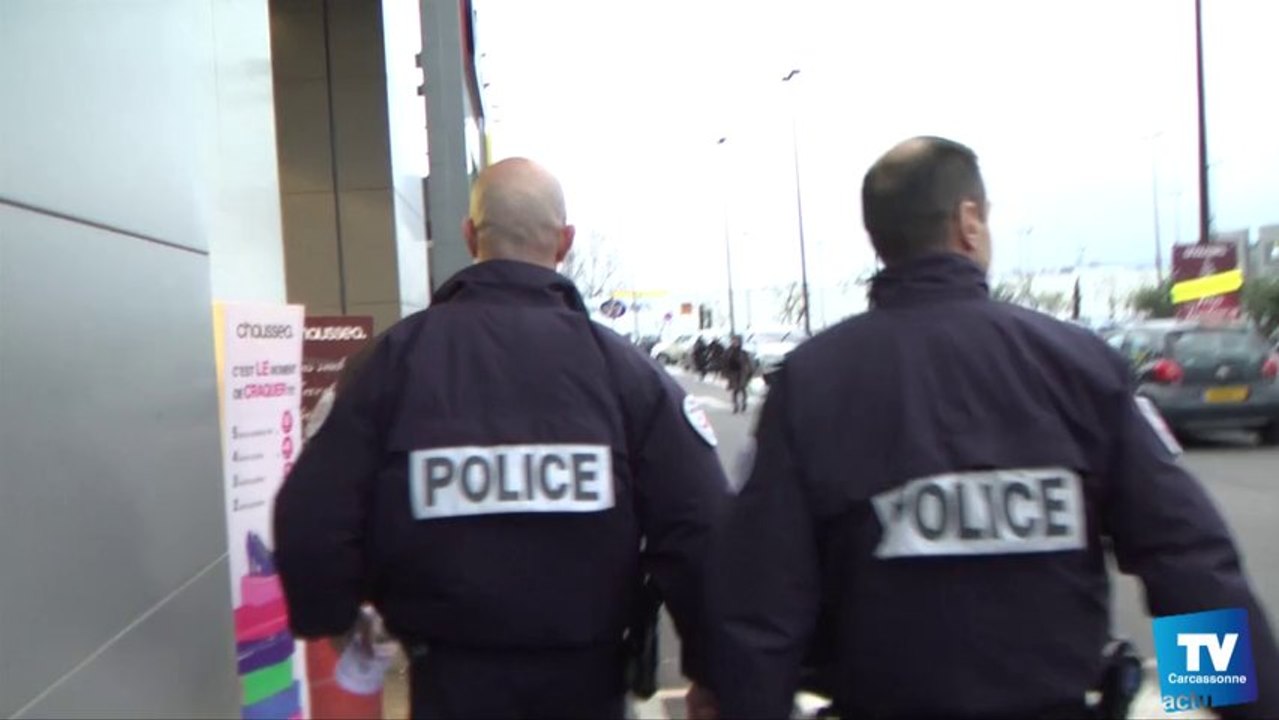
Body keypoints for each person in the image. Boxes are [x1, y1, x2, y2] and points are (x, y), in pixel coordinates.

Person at [705, 136, 1279, 719]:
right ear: (969, 221)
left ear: (880, 240)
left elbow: (762, 607)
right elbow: (1183, 565)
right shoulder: (1078, 365)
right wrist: (1238, 709)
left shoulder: (811, 384)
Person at [273, 157, 731, 720]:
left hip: (450, 682)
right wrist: (716, 673)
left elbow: (310, 515)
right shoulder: (626, 375)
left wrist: (335, 618)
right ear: (564, 242)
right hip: (587, 683)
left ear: (470, 236)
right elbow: (701, 529)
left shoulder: (391, 366)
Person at [722, 335, 753, 414]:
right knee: (735, 390)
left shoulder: (743, 352)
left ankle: (744, 403)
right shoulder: (728, 352)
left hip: (742, 373)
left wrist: (749, 372)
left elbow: (748, 363)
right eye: (733, 341)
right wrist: (724, 373)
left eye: (736, 341)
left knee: (743, 389)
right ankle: (735, 406)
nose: (734, 342)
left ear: (739, 342)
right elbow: (724, 363)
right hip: (733, 374)